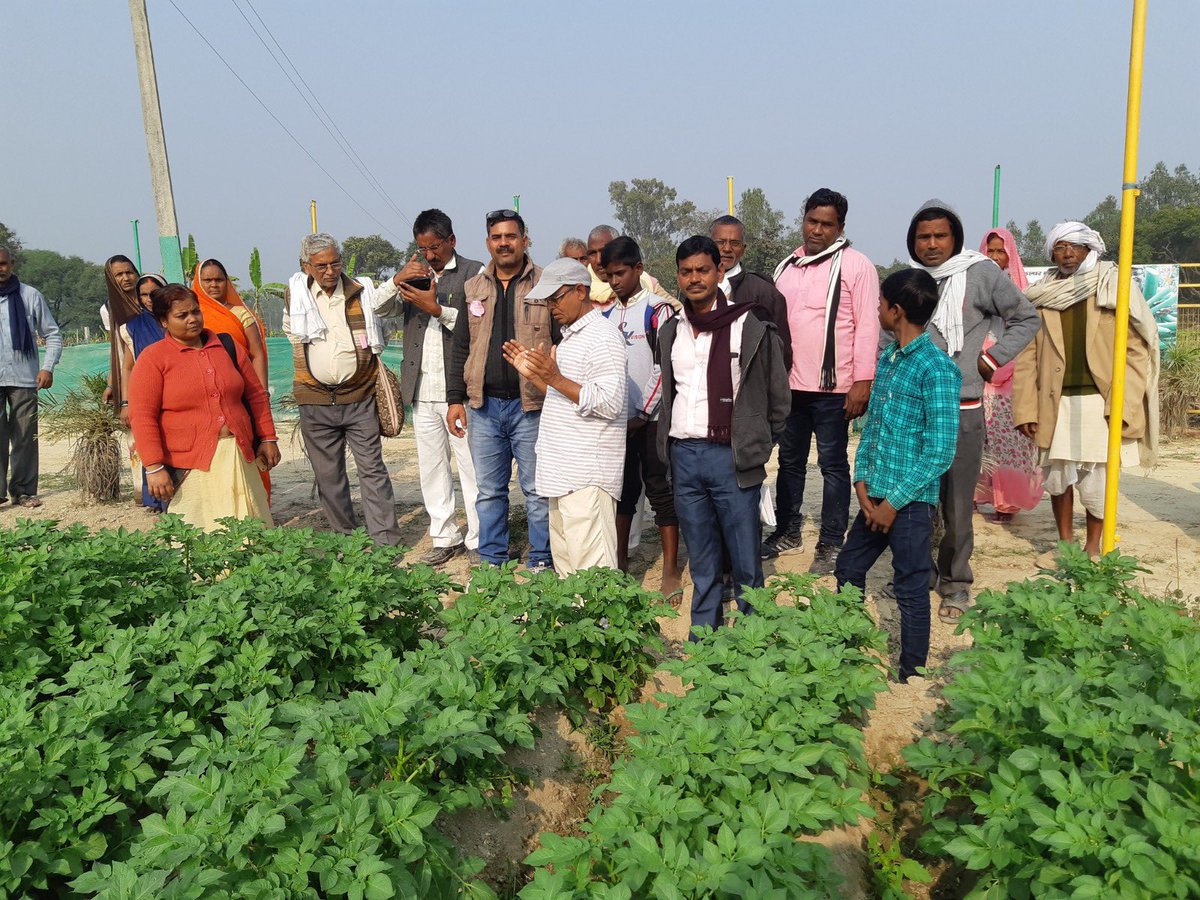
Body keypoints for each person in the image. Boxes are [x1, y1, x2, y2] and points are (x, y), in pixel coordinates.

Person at [906, 199, 1039, 622]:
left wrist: (993, 358)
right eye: (923, 236)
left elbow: (1027, 317)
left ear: (955, 238)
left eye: (939, 235)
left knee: (958, 504)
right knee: (915, 499)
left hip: (962, 407)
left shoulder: (980, 273)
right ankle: (918, 572)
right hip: (915, 411)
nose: (931, 244)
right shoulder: (909, 280)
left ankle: (956, 582)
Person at [656, 236, 790, 640]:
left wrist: (756, 444)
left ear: (718, 272)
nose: (694, 279)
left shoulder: (749, 326)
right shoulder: (670, 331)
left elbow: (777, 399)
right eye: (686, 271)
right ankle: (705, 637)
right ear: (677, 276)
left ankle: (752, 642)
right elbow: (670, 392)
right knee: (702, 557)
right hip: (685, 455)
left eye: (702, 270)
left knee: (746, 557)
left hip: (730, 457)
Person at [835, 270, 961, 682]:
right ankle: (845, 648)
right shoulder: (888, 361)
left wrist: (892, 504)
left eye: (881, 303)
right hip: (876, 497)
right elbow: (873, 431)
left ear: (896, 310)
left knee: (910, 588)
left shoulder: (937, 368)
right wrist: (862, 485)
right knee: (848, 569)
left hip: (909, 505)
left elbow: (940, 451)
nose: (877, 310)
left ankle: (912, 673)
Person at [1012, 222, 1159, 559]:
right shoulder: (1041, 295)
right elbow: (1027, 357)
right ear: (1051, 253)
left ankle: (1094, 546)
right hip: (1055, 401)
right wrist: (1025, 409)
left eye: (1074, 246)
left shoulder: (1112, 286)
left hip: (1100, 401)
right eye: (1059, 247)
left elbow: (1136, 351)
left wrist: (1129, 401)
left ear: (1089, 249)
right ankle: (1066, 546)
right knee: (1058, 478)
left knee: (1098, 481)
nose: (1067, 253)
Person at [763, 190, 880, 571]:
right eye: (812, 221)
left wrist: (862, 381)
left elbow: (867, 325)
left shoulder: (856, 265)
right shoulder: (789, 266)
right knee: (790, 461)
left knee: (832, 464)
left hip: (835, 387)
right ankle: (788, 531)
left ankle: (831, 542)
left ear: (840, 227)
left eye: (827, 224)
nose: (817, 230)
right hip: (791, 383)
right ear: (803, 220)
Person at [501, 258, 627, 574]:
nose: (550, 307)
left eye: (556, 297)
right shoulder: (572, 336)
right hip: (563, 475)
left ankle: (602, 625)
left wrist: (555, 378)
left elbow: (610, 402)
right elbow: (568, 397)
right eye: (547, 300)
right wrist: (536, 376)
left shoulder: (603, 336)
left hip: (586, 476)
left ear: (581, 290)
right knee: (570, 575)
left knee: (594, 577)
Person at [373, 209, 483, 566]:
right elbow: (375, 307)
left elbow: (480, 324)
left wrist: (436, 309)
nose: (429, 255)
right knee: (433, 467)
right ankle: (445, 536)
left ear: (451, 241)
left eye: (434, 247)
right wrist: (397, 279)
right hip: (421, 388)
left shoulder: (474, 273)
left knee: (470, 466)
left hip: (460, 391)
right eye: (422, 248)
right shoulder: (413, 275)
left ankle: (479, 539)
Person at [445, 210, 551, 569]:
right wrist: (454, 400)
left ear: (524, 239)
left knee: (537, 491)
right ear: (488, 242)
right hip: (484, 407)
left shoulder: (545, 284)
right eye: (496, 237)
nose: (503, 243)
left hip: (532, 406)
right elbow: (461, 345)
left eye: (510, 236)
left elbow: (561, 341)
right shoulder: (473, 287)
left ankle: (541, 559)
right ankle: (492, 560)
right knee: (489, 492)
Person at [129, 283, 280, 531]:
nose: (192, 319)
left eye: (195, 312)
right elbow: (143, 416)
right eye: (182, 315)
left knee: (252, 529)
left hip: (239, 457)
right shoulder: (153, 358)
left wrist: (268, 438)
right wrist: (154, 467)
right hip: (191, 465)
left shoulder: (227, 346)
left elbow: (256, 396)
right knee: (203, 534)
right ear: (164, 321)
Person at [284, 233, 403, 545]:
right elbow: (291, 332)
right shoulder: (295, 296)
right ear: (306, 266)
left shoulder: (360, 291)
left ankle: (385, 543)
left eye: (335, 263)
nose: (329, 271)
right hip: (315, 403)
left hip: (360, 397)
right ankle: (346, 541)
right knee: (329, 477)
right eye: (321, 265)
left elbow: (383, 311)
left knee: (373, 471)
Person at [599, 236, 683, 597]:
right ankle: (619, 562)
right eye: (609, 275)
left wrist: (643, 412)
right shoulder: (603, 315)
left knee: (659, 488)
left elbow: (664, 367)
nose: (615, 281)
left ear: (638, 269)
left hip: (651, 420)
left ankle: (669, 568)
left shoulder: (658, 310)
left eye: (620, 273)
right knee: (622, 492)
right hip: (618, 421)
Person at [974, 228, 1043, 522]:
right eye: (990, 250)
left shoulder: (1022, 291)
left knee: (1009, 442)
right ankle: (977, 495)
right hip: (978, 372)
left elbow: (1028, 334)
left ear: (1010, 254)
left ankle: (1008, 502)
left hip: (1012, 376)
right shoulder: (974, 287)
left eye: (1001, 251)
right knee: (978, 439)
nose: (995, 256)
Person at [0, 246, 61, 508]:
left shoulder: (29, 295)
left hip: (25, 378)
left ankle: (23, 491)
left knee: (25, 435)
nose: (0, 269)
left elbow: (52, 333)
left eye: (3, 263)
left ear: (12, 264)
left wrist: (47, 366)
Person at [709, 215, 793, 369]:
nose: (727, 249)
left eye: (734, 243)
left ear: (743, 249)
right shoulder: (696, 286)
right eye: (720, 242)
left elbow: (781, 354)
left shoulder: (765, 293)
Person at [119, 273, 168, 512]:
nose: (150, 299)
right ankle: (155, 500)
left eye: (155, 293)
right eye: (144, 295)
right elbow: (128, 366)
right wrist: (126, 402)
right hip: (147, 394)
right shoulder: (131, 328)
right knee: (149, 443)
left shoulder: (176, 319)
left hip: (175, 393)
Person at [194, 259, 269, 392]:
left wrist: (263, 393)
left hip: (242, 385)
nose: (214, 284)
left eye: (219, 280)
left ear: (227, 282)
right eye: (207, 280)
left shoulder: (241, 314)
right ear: (199, 283)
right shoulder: (192, 316)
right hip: (203, 387)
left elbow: (257, 355)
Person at [585, 224, 677, 311]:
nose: (598, 260)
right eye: (592, 254)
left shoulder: (647, 283)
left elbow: (678, 312)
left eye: (604, 251)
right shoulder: (581, 288)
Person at [103, 255, 142, 409]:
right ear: (111, 279)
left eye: (129, 272)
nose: (126, 278)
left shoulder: (151, 301)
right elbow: (117, 349)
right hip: (130, 374)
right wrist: (111, 385)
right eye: (119, 275)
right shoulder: (108, 310)